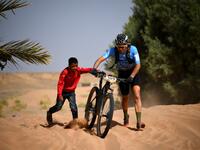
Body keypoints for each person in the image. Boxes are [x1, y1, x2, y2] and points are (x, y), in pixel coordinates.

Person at [93, 33, 145, 130]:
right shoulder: (113, 50)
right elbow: (101, 59)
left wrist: (132, 75)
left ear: (127, 45)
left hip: (134, 72)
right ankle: (126, 117)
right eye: (119, 47)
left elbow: (138, 65)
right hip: (122, 74)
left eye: (123, 47)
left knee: (137, 95)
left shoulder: (133, 49)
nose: (121, 49)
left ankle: (139, 121)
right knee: (125, 97)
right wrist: (94, 69)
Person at [46, 57, 96, 125]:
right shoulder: (65, 72)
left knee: (74, 108)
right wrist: (60, 94)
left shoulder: (78, 70)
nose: (75, 68)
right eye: (73, 66)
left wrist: (95, 70)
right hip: (63, 92)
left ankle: (75, 123)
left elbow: (87, 70)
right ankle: (49, 112)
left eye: (76, 66)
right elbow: (60, 84)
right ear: (69, 65)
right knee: (58, 107)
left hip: (71, 93)